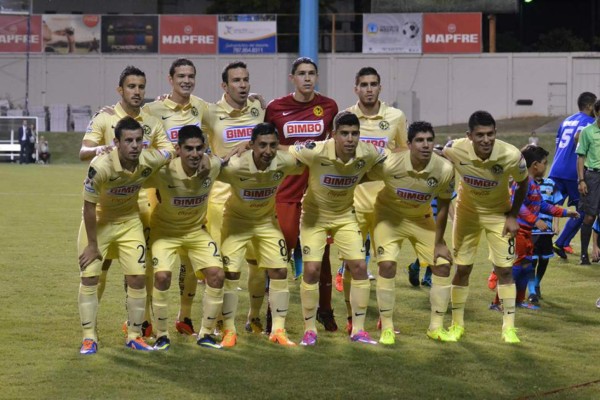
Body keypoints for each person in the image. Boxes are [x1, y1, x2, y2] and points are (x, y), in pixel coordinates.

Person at [80, 65, 175, 338]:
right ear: (120, 90)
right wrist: (100, 149)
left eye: (141, 87)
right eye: (131, 87)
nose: (137, 92)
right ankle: (90, 329)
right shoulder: (104, 117)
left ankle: (138, 324)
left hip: (141, 201)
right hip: (106, 199)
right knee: (102, 264)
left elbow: (168, 150)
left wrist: (150, 157)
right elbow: (82, 150)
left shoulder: (152, 119)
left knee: (139, 268)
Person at [287, 111, 387, 346]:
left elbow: (389, 159)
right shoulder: (316, 150)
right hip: (313, 217)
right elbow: (286, 153)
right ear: (334, 135)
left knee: (360, 266)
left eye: (354, 133)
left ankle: (358, 330)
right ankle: (309, 330)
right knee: (311, 270)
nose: (350, 139)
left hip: (344, 217)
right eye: (344, 134)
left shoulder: (368, 152)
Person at [265, 57, 339, 333]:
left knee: (322, 256)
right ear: (292, 78)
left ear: (316, 77)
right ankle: (273, 312)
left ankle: (325, 311)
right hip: (285, 191)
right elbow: (266, 144)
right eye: (301, 74)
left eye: (311, 74)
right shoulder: (275, 108)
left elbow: (334, 145)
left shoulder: (329, 106)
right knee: (278, 254)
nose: (307, 78)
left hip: (318, 193)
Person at [443, 110, 529, 344]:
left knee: (505, 270)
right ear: (469, 135)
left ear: (495, 133)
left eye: (490, 134)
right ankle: (456, 325)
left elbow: (523, 184)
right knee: (462, 268)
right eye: (479, 135)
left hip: (498, 214)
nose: (486, 139)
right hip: (467, 214)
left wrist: (512, 215)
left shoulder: (510, 155)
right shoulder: (455, 148)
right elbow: (436, 153)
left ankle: (509, 328)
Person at [366, 121, 455, 344]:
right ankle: (386, 326)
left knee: (442, 264)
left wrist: (440, 241)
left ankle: (436, 327)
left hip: (421, 219)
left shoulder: (444, 169)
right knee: (387, 265)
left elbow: (444, 205)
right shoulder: (391, 163)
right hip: (389, 216)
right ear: (409, 144)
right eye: (419, 140)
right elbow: (361, 177)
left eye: (429, 140)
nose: (425, 145)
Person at [218, 122, 304, 347]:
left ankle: (278, 330)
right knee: (231, 274)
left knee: (279, 270)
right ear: (251, 145)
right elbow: (208, 168)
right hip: (236, 222)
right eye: (262, 145)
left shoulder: (283, 161)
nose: (268, 151)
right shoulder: (235, 166)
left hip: (267, 222)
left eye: (273, 145)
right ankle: (228, 329)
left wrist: (284, 148)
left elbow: (308, 157)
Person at [337, 66, 407, 334]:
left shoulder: (396, 116)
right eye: (363, 84)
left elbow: (402, 149)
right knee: (354, 265)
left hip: (386, 203)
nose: (368, 89)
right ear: (356, 88)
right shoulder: (346, 117)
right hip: (351, 203)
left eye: (373, 84)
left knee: (387, 264)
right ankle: (351, 317)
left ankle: (386, 320)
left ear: (380, 87)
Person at [143, 58, 211, 336]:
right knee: (152, 261)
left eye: (190, 76)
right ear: (170, 79)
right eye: (181, 76)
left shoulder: (203, 107)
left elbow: (223, 121)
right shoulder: (153, 109)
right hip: (158, 191)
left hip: (192, 192)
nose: (186, 80)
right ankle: (144, 319)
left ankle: (185, 316)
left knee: (191, 259)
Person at [201, 61, 266, 334]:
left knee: (258, 264)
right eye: (236, 81)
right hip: (220, 201)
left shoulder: (259, 109)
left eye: (246, 80)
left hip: (255, 198)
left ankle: (254, 316)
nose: (243, 85)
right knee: (222, 268)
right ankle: (217, 321)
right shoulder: (210, 113)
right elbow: (182, 131)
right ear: (224, 86)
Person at [146, 125, 223, 350]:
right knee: (161, 277)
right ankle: (161, 335)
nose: (194, 154)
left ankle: (206, 334)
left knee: (217, 275)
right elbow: (133, 178)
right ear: (178, 149)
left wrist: (244, 146)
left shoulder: (212, 166)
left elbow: (228, 162)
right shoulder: (163, 172)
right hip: (165, 232)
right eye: (188, 149)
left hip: (195, 231)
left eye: (199, 148)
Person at [488, 145, 578, 310]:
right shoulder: (521, 182)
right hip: (518, 232)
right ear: (535, 164)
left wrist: (565, 212)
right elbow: (518, 205)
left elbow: (542, 205)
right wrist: (535, 220)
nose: (546, 166)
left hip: (528, 232)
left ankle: (519, 300)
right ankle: (497, 302)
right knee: (515, 268)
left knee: (525, 267)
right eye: (545, 162)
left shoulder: (533, 183)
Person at [549, 92, 597, 259]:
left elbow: (558, 146)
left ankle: (538, 243)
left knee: (545, 207)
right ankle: (560, 242)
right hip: (574, 173)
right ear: (590, 106)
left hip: (556, 170)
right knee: (583, 212)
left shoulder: (566, 120)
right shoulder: (591, 123)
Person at [575, 99, 600, 265]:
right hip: (592, 177)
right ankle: (584, 254)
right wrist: (581, 180)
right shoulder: (587, 131)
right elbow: (580, 156)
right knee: (590, 216)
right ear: (597, 113)